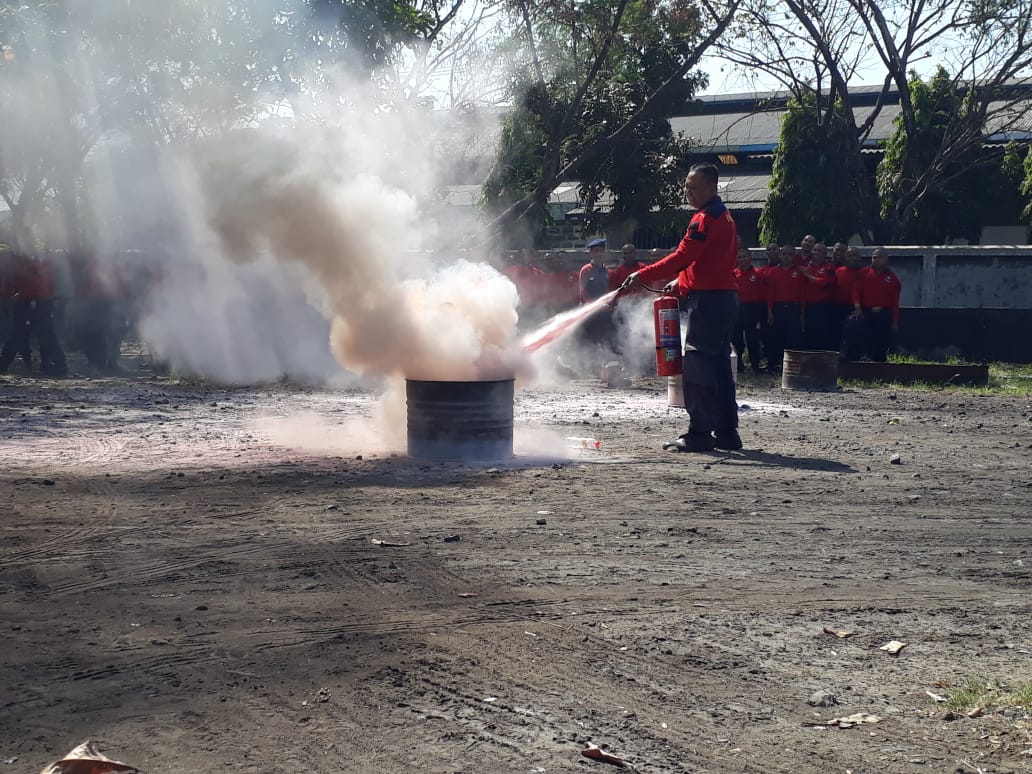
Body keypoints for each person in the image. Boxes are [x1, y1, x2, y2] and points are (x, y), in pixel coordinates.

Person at [620, 163, 741, 452]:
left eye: (694, 188)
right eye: (686, 187)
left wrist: (642, 274)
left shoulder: (704, 219)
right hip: (724, 298)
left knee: (698, 366)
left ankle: (698, 434)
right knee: (721, 367)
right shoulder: (723, 216)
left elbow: (683, 256)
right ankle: (727, 433)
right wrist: (681, 282)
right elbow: (704, 261)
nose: (688, 192)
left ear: (712, 188)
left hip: (710, 302)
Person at [0, 253, 67, 376]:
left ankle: (4, 364)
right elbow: (49, 282)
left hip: (28, 301)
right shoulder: (41, 261)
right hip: (40, 300)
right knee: (46, 335)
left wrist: (6, 297)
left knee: (19, 334)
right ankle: (58, 365)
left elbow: (10, 281)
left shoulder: (19, 261)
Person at [851, 247, 902, 362]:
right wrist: (857, 307)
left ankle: (879, 363)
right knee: (854, 328)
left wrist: (895, 321)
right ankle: (854, 360)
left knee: (881, 339)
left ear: (886, 260)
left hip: (883, 313)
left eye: (879, 258)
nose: (876, 260)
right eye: (874, 257)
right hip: (865, 311)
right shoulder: (862, 273)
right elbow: (855, 292)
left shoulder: (893, 279)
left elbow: (895, 303)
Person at [764, 245, 806, 373]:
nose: (786, 257)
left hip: (794, 308)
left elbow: (802, 293)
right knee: (776, 336)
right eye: (784, 254)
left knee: (793, 337)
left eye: (789, 254)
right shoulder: (773, 272)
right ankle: (774, 363)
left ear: (793, 256)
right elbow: (770, 293)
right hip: (778, 307)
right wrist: (770, 311)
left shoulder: (799, 272)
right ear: (780, 255)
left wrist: (802, 312)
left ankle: (792, 365)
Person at [732, 247, 765, 373]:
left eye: (744, 257)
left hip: (753, 309)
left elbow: (762, 293)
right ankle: (738, 364)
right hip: (737, 309)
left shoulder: (758, 274)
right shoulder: (733, 274)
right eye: (739, 257)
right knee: (736, 338)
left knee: (753, 338)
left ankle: (755, 364)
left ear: (750, 257)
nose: (742, 260)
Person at [801, 242, 837, 350]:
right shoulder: (807, 267)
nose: (816, 252)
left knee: (823, 334)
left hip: (823, 306)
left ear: (825, 254)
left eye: (819, 251)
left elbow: (825, 282)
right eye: (814, 250)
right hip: (809, 306)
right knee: (809, 334)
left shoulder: (829, 267)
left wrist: (809, 276)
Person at [836, 247, 865, 358]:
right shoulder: (839, 271)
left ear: (859, 257)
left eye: (855, 256)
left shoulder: (864, 273)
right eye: (849, 256)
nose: (852, 258)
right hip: (838, 306)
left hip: (857, 308)